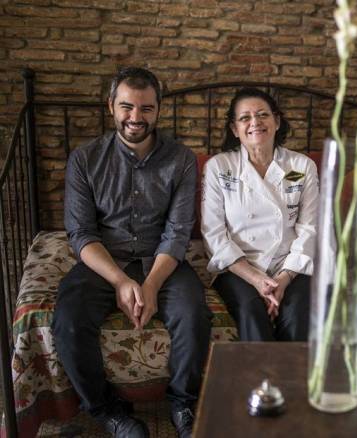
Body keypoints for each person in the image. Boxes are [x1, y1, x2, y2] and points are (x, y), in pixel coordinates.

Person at [52, 67, 211, 438]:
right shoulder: (85, 159)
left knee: (193, 315)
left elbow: (178, 231)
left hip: (162, 259)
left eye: (146, 108)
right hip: (104, 260)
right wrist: (121, 280)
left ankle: (183, 403)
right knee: (69, 320)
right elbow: (80, 233)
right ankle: (107, 410)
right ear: (111, 107)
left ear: (159, 109)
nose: (135, 118)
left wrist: (152, 283)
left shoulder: (182, 159)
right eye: (126, 107)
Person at [201, 87, 319, 342]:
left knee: (298, 314)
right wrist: (256, 279)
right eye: (245, 118)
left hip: (289, 267)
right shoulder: (219, 167)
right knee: (252, 311)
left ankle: (292, 382)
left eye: (263, 115)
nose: (255, 122)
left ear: (276, 121)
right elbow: (214, 233)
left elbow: (310, 228)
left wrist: (283, 279)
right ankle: (258, 382)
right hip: (239, 268)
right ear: (235, 129)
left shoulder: (301, 166)